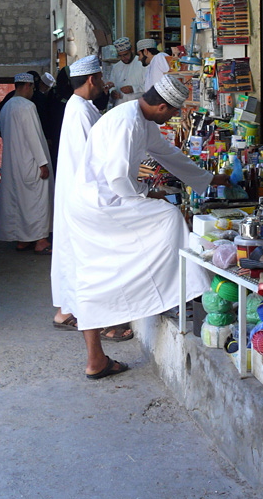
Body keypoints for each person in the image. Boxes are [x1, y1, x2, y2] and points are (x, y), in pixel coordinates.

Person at [65, 74, 229, 379]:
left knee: (94, 275)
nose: (172, 119)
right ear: (162, 107)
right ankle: (186, 293)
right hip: (100, 205)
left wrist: (207, 179)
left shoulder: (139, 119)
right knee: (168, 218)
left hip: (97, 202)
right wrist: (147, 193)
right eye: (173, 113)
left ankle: (96, 359)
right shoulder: (128, 122)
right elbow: (117, 179)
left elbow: (167, 154)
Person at [51, 55, 132, 343]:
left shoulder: (78, 107)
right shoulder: (82, 110)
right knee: (93, 260)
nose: (101, 84)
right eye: (99, 79)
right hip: (85, 196)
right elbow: (99, 156)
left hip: (74, 193)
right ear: (91, 79)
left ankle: (65, 310)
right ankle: (103, 323)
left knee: (71, 253)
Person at [0, 73, 54, 254]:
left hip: (13, 163)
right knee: (37, 202)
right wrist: (42, 163)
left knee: (19, 201)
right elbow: (33, 137)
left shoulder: (6, 107)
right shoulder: (27, 106)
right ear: (28, 86)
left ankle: (22, 240)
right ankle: (40, 240)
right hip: (30, 162)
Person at [46, 66, 74, 170]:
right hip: (57, 133)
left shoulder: (73, 92)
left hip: (66, 132)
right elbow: (48, 114)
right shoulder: (54, 93)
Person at [108, 37, 145, 107]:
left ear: (132, 50)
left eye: (125, 55)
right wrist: (113, 92)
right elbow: (111, 84)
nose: (123, 58)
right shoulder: (116, 67)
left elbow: (149, 87)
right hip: (120, 107)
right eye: (120, 56)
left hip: (138, 107)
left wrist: (133, 89)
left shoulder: (142, 64)